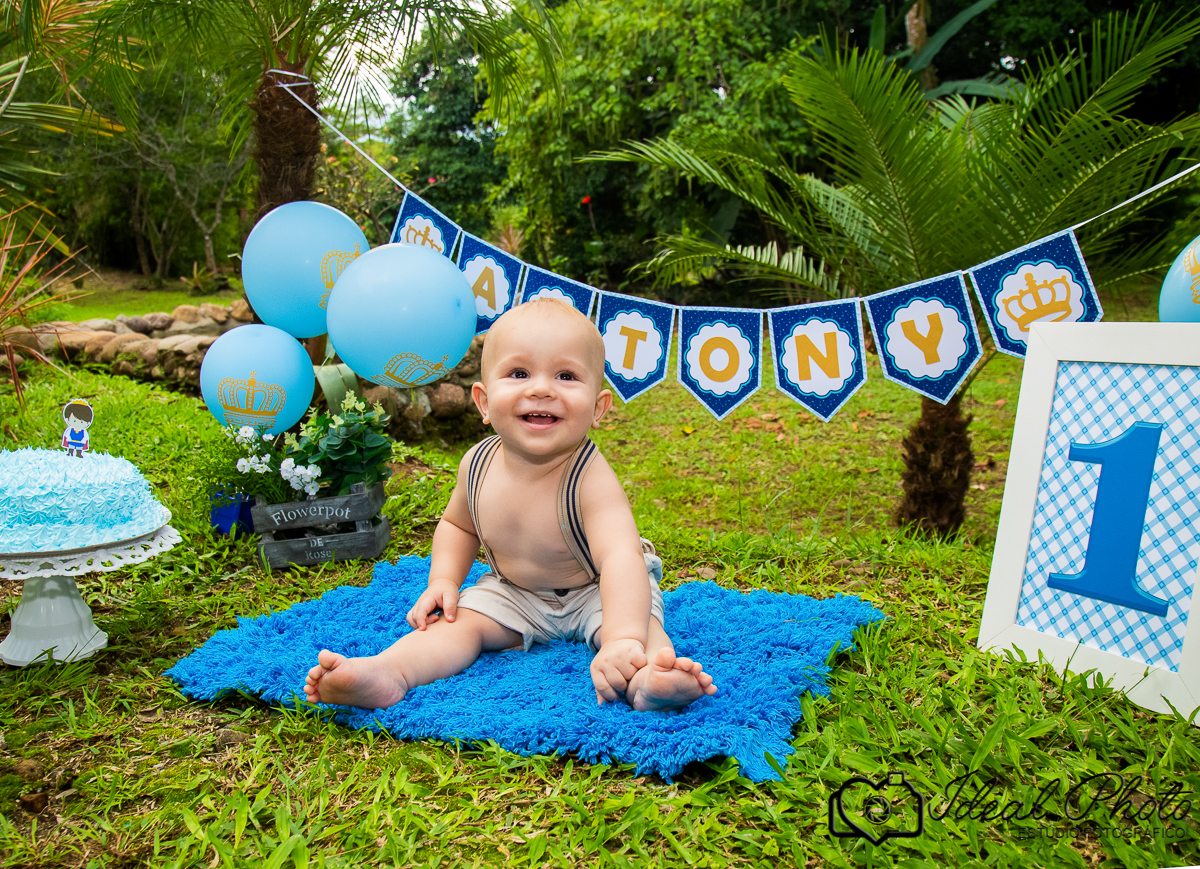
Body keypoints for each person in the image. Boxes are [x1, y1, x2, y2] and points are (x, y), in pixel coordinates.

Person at [305, 298, 717, 711]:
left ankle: (650, 678)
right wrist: (444, 582)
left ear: (597, 407)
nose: (541, 388)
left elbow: (620, 559)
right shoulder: (477, 464)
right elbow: (457, 526)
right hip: (515, 592)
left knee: (637, 625)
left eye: (566, 375)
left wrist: (623, 637)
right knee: (458, 623)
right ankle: (389, 672)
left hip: (599, 589)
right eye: (519, 373)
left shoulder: (590, 477)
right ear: (483, 402)